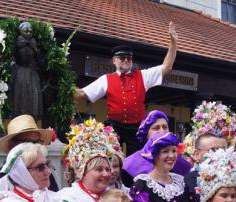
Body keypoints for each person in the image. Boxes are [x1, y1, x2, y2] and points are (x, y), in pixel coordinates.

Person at [73, 23, 178, 154]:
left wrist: (173, 44)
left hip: (137, 127)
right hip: (114, 126)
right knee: (110, 155)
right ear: (114, 61)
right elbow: (82, 93)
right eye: (122, 58)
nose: (126, 60)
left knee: (138, 159)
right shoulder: (107, 78)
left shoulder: (143, 75)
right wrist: (64, 86)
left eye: (129, 58)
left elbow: (166, 67)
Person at [59, 119, 121, 202]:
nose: (106, 174)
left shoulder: (117, 197)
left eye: (108, 169)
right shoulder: (67, 198)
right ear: (84, 173)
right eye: (99, 169)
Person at [121, 110, 191, 186]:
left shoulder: (178, 161)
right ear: (146, 133)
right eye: (156, 128)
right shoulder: (130, 164)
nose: (162, 131)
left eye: (165, 127)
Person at [0, 114, 58, 190]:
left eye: (36, 142)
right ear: (12, 146)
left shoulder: (45, 172)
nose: (34, 147)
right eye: (28, 142)